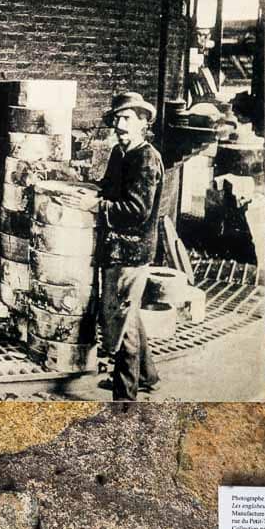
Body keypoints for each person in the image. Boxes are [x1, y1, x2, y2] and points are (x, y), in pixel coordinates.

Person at [70, 91, 164, 400]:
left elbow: (138, 211)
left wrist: (97, 205)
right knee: (129, 313)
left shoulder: (146, 159)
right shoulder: (119, 152)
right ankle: (147, 377)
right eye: (117, 119)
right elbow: (108, 190)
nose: (119, 125)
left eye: (127, 119)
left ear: (143, 123)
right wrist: (81, 187)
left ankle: (125, 398)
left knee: (122, 324)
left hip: (131, 251)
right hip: (116, 247)